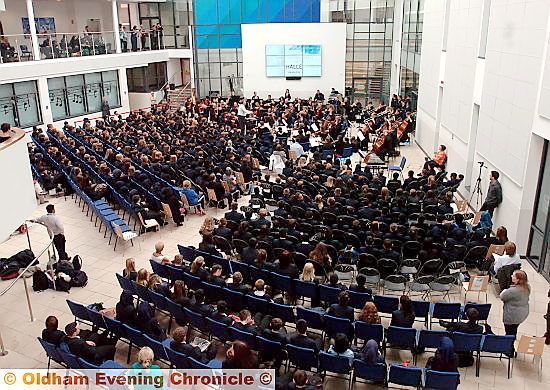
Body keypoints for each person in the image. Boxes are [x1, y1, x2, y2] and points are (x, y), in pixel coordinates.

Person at [500, 270, 530, 351]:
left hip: (512, 315)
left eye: (513, 276)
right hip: (522, 314)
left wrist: (505, 290)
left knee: (509, 332)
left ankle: (509, 349)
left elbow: (502, 296)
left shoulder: (512, 291)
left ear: (518, 279)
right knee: (514, 330)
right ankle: (511, 343)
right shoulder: (527, 287)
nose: (511, 276)